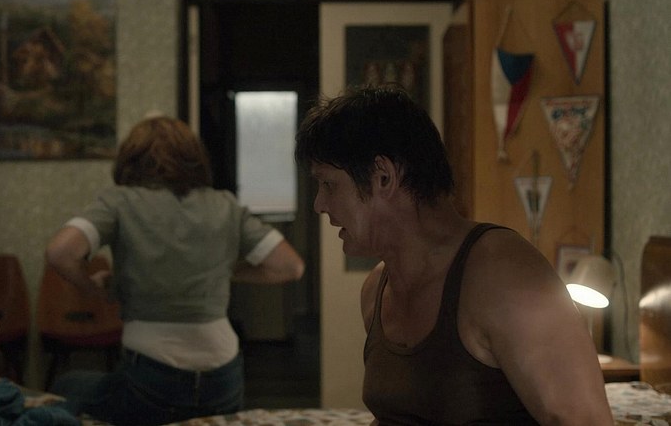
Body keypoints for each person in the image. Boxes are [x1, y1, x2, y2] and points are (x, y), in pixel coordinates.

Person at [294, 84, 612, 425]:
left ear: (383, 177)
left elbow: (585, 420)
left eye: (328, 184)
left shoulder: (503, 273)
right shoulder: (376, 290)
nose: (319, 205)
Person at [45, 116, 305, 425]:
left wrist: (94, 289)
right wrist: (223, 270)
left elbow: (60, 253)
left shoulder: (120, 202)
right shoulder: (225, 205)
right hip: (222, 379)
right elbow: (290, 266)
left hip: (152, 380)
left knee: (67, 384)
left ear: (131, 159)